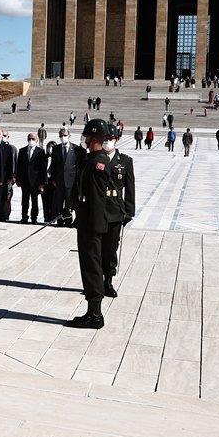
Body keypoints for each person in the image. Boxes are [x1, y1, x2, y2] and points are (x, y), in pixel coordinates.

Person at [68, 119, 135, 330]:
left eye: (88, 138)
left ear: (95, 139)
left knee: (91, 267)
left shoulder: (99, 162)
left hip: (92, 224)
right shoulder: (95, 159)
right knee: (92, 267)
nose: (85, 141)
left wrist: (93, 228)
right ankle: (92, 311)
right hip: (91, 222)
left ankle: (94, 314)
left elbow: (97, 199)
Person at [47, 128, 77, 224]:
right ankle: (60, 220)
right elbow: (53, 166)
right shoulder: (56, 149)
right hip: (59, 180)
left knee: (69, 202)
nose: (63, 137)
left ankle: (68, 220)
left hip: (70, 180)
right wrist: (53, 179)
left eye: (64, 135)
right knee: (59, 202)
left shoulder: (75, 149)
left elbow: (76, 166)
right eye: (61, 136)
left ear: (69, 136)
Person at [16, 132, 46, 224]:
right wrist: (18, 179)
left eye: (33, 139)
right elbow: (19, 166)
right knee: (24, 200)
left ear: (37, 140)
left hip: (35, 181)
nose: (31, 141)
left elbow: (43, 168)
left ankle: (34, 218)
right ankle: (24, 217)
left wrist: (42, 183)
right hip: (25, 180)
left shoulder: (40, 152)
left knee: (34, 200)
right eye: (29, 139)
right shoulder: (22, 151)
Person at [0, 130, 18, 221]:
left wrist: (13, 176)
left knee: (6, 197)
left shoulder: (11, 148)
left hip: (7, 177)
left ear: (8, 137)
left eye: (4, 135)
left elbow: (14, 162)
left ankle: (5, 215)